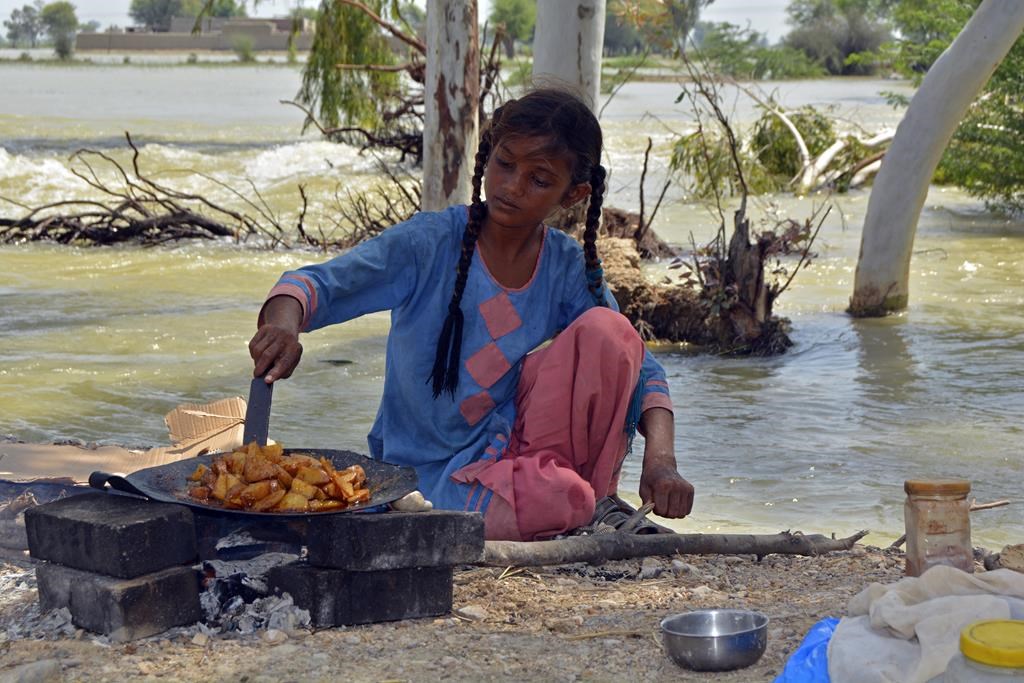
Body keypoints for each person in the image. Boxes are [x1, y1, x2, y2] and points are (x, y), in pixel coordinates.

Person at [248, 88, 694, 541]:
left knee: (610, 331)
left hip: (515, 453)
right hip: (426, 475)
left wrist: (662, 464)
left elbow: (642, 369)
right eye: (504, 164)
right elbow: (313, 285)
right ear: (489, 155)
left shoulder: (567, 268)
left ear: (574, 194)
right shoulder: (427, 244)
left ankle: (594, 503)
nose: (512, 186)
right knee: (561, 499)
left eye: (539, 179)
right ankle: (580, 510)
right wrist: (283, 326)